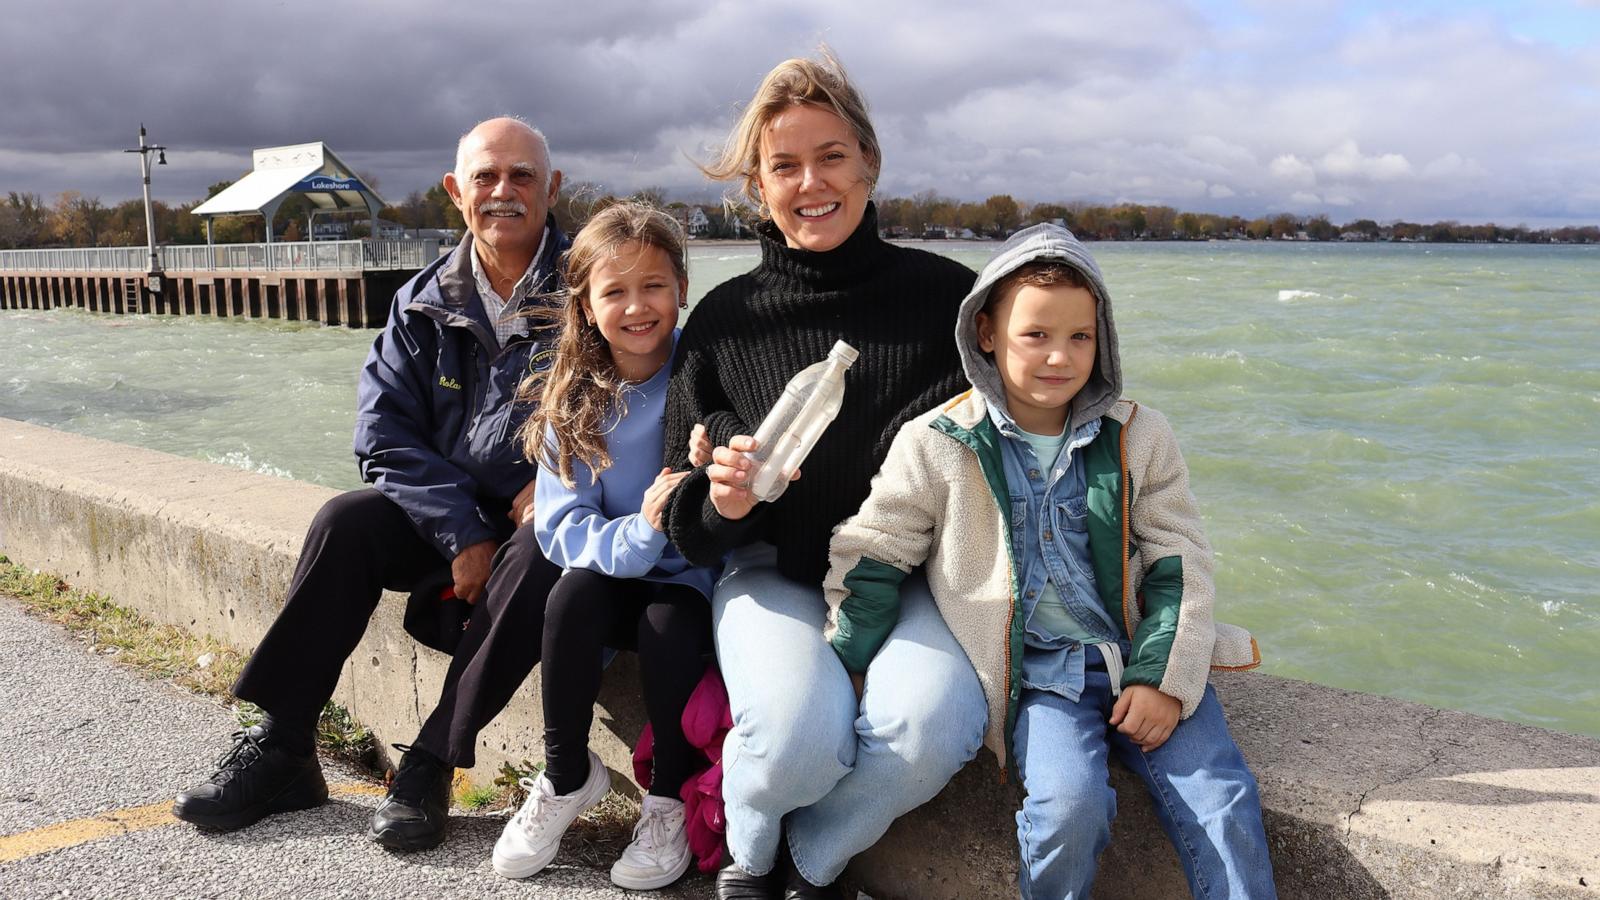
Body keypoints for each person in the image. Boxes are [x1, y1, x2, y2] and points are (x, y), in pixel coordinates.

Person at [823, 223, 1277, 898]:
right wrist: (847, 664)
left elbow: (1180, 560)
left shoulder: (1140, 433)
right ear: (986, 332)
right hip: (1037, 680)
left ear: (1103, 338)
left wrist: (1162, 679)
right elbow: (876, 552)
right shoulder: (939, 440)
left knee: (1223, 800)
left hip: (1136, 654)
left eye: (1080, 337)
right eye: (1035, 334)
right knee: (1068, 808)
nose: (1059, 357)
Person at [173, 116, 572, 853]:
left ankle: (428, 764)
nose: (503, 191)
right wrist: (464, 530)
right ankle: (286, 743)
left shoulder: (593, 287)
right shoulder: (421, 301)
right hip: (451, 518)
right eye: (486, 176)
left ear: (552, 187)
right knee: (345, 521)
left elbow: (638, 393)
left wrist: (559, 474)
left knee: (541, 545)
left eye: (522, 176)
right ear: (457, 192)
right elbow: (382, 437)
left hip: (547, 519)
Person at [660, 52, 988, 899]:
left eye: (832, 157)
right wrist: (724, 500)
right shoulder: (724, 322)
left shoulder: (954, 304)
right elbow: (682, 516)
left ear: (869, 165)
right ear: (757, 187)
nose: (812, 182)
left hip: (909, 576)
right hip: (775, 569)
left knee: (935, 722)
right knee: (800, 740)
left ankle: (810, 858)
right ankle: (752, 838)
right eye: (784, 165)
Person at [490, 201, 716, 891]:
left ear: (681, 289)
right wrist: (641, 532)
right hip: (619, 565)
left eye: (653, 286)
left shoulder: (706, 375)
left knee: (668, 622)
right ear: (586, 306)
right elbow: (560, 529)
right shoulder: (577, 399)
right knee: (572, 595)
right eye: (614, 291)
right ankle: (565, 776)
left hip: (691, 581)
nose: (637, 306)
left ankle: (668, 799)